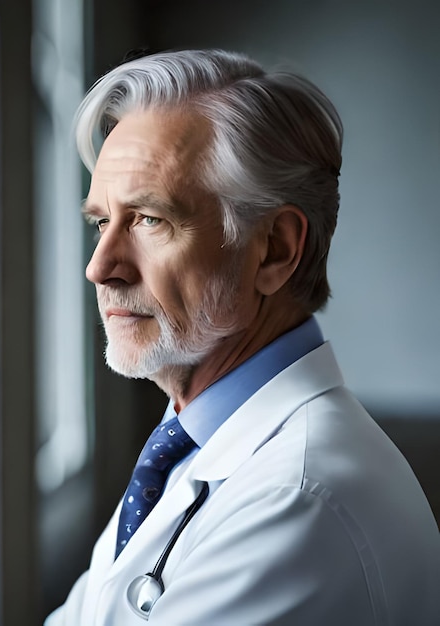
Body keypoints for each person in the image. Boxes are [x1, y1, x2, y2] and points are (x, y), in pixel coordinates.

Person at [45, 49, 440, 625]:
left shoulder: (297, 500)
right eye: (103, 222)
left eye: (150, 219)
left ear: (275, 250)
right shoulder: (187, 442)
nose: (101, 267)